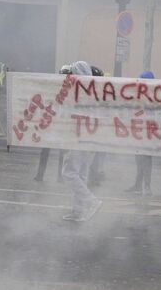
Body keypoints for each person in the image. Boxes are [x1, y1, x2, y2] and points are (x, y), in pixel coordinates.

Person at [61, 61, 103, 222]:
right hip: (90, 139)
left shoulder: (77, 91)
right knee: (81, 174)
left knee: (69, 173)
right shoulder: (94, 91)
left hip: (77, 137)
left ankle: (91, 201)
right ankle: (78, 211)